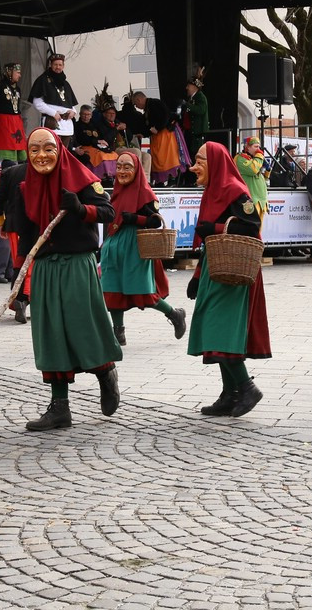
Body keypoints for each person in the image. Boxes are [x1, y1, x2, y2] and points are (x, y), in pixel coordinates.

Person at [15, 128, 122, 431]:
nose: (41, 155)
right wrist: (19, 277)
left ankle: (106, 374)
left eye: (48, 148)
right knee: (51, 334)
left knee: (83, 327)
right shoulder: (25, 187)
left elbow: (107, 211)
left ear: (59, 149)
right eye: (34, 149)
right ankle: (59, 407)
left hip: (77, 264)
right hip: (45, 268)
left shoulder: (81, 177)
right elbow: (25, 235)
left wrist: (80, 209)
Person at [186, 142, 269, 417]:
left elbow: (252, 225)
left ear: (215, 163)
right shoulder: (211, 192)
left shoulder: (235, 190)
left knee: (219, 328)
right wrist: (198, 274)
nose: (192, 167)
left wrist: (217, 227)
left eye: (199, 161)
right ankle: (230, 393)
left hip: (235, 268)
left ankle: (246, 387)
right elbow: (207, 240)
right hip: (215, 264)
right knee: (212, 326)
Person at [101, 149, 187, 345]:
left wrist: (134, 218)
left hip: (135, 246)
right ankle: (118, 333)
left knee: (141, 291)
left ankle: (174, 314)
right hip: (114, 245)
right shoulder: (115, 192)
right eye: (119, 167)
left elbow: (154, 221)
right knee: (111, 289)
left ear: (137, 169)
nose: (122, 171)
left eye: (127, 167)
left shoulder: (145, 192)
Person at [0, 158, 30, 322]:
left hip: (15, 225)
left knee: (19, 264)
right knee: (34, 266)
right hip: (39, 225)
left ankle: (19, 300)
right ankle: (24, 299)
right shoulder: (50, 170)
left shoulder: (11, 172)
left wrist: (0, 223)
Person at [29, 54, 78, 136]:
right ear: (51, 65)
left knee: (64, 149)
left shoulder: (65, 83)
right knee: (52, 148)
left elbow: (70, 103)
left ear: (63, 66)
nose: (58, 67)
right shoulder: (42, 80)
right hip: (51, 123)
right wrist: (53, 113)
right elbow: (37, 102)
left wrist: (74, 111)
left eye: (60, 65)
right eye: (55, 64)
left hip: (67, 126)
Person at [0, 63, 27, 162]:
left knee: (20, 154)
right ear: (9, 72)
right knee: (4, 153)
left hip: (16, 123)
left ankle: (18, 175)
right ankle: (1, 176)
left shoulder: (17, 89)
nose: (20, 75)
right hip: (4, 123)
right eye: (17, 72)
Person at [72, 104, 119, 180]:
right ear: (80, 114)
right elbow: (81, 139)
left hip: (97, 147)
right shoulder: (77, 125)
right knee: (101, 156)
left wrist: (102, 142)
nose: (86, 116)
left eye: (88, 114)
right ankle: (103, 176)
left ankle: (112, 175)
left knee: (113, 154)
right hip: (84, 147)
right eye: (84, 114)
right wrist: (97, 141)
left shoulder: (95, 125)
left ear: (91, 115)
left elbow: (100, 137)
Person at [234, 138, 269, 221]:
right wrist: (260, 156)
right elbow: (253, 170)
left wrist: (268, 170)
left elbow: (264, 177)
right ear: (248, 147)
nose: (258, 149)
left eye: (259, 147)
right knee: (251, 229)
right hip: (249, 200)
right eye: (255, 146)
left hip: (261, 200)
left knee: (258, 230)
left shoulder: (255, 160)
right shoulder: (239, 158)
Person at [181, 69, 208, 166]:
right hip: (191, 133)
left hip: (197, 134)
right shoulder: (192, 98)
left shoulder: (200, 97)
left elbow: (201, 110)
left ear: (194, 87)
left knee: (197, 156)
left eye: (188, 85)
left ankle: (197, 179)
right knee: (192, 156)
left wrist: (187, 105)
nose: (186, 87)